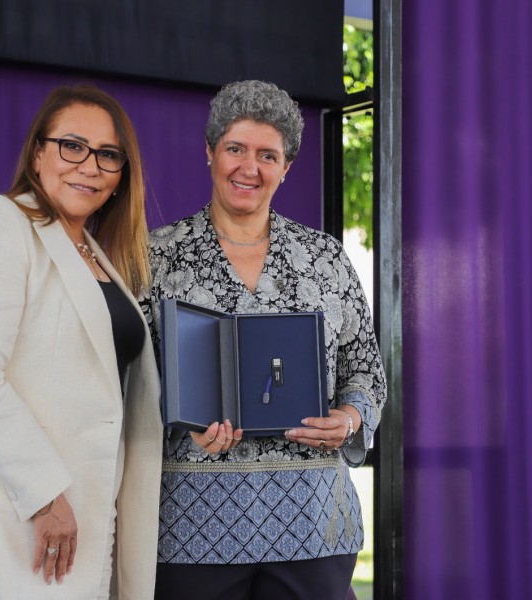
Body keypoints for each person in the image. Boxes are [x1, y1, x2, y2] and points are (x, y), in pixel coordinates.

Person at [143, 79, 387, 599]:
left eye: (267, 155)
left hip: (313, 526)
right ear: (210, 152)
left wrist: (350, 418)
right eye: (235, 148)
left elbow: (364, 366)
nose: (248, 168)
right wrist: (177, 422)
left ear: (287, 167)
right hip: (193, 528)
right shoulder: (155, 257)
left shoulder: (325, 258)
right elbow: (128, 381)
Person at [0, 85, 163, 599]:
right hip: (17, 517)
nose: (89, 166)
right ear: (37, 153)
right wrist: (45, 496)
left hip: (94, 519)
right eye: (71, 145)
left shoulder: (99, 257)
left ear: (122, 176)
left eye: (108, 155)